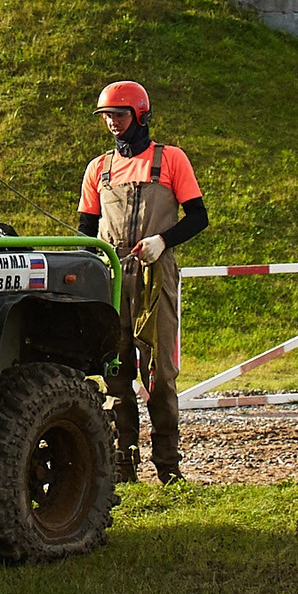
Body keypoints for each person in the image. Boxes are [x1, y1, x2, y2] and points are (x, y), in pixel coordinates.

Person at [78, 80, 209, 483]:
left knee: (160, 375)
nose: (113, 124)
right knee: (116, 373)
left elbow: (199, 218)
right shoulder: (98, 169)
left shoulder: (171, 160)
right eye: (107, 118)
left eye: (119, 115)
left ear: (140, 116)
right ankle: (123, 462)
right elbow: (84, 229)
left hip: (156, 276)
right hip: (112, 279)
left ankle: (168, 466)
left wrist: (162, 241)